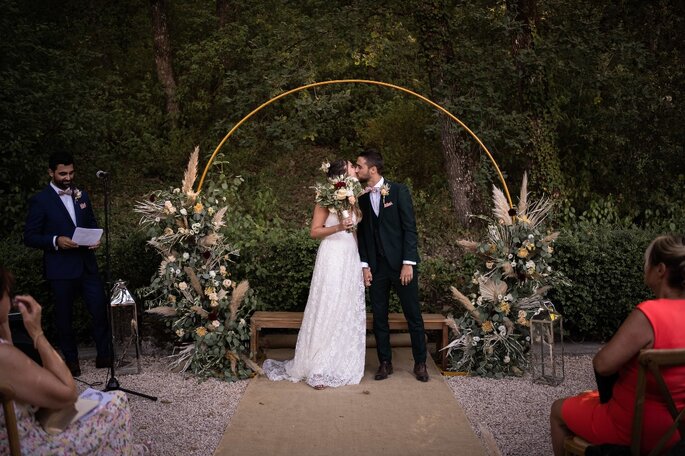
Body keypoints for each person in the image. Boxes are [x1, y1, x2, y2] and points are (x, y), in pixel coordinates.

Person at [550, 234, 685, 455]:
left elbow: (603, 364)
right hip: (678, 430)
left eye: (647, 263)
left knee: (557, 410)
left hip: (634, 429)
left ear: (660, 269)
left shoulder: (649, 314)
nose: (645, 268)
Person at [0, 266, 148, 455]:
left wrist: (4, 325)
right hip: (32, 447)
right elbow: (67, 394)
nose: (10, 298)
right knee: (116, 401)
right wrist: (37, 333)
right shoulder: (4, 357)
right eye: (7, 292)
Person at [262, 159, 366, 390]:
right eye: (352, 166)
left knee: (345, 307)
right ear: (341, 173)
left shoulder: (353, 197)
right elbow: (314, 231)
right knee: (328, 305)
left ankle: (339, 363)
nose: (356, 169)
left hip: (349, 256)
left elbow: (355, 232)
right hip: (332, 255)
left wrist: (360, 263)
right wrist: (340, 227)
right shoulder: (325, 197)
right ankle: (318, 367)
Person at [23, 151, 111, 377]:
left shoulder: (82, 195)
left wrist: (95, 238)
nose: (68, 177)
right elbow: (29, 236)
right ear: (51, 172)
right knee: (64, 317)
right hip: (60, 268)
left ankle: (105, 355)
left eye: (71, 172)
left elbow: (90, 221)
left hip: (86, 264)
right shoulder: (40, 200)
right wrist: (55, 240)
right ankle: (71, 361)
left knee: (99, 309)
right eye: (63, 173)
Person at [355, 149, 428, 382]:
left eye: (359, 166)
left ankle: (420, 363)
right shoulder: (362, 199)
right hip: (377, 267)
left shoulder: (398, 191)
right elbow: (364, 235)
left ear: (372, 169)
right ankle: (385, 363)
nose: (356, 170)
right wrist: (365, 266)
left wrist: (409, 263)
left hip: (400, 266)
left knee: (413, 315)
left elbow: (410, 228)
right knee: (379, 317)